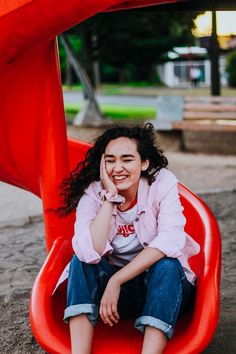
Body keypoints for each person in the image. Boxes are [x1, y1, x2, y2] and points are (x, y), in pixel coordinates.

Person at [56, 123, 200, 354]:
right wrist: (109, 199)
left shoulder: (162, 183)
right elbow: (87, 251)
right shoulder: (94, 192)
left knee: (167, 264)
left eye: (127, 159)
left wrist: (117, 281)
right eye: (110, 160)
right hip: (119, 300)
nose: (118, 168)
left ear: (144, 163)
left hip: (166, 290)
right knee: (81, 261)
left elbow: (170, 241)